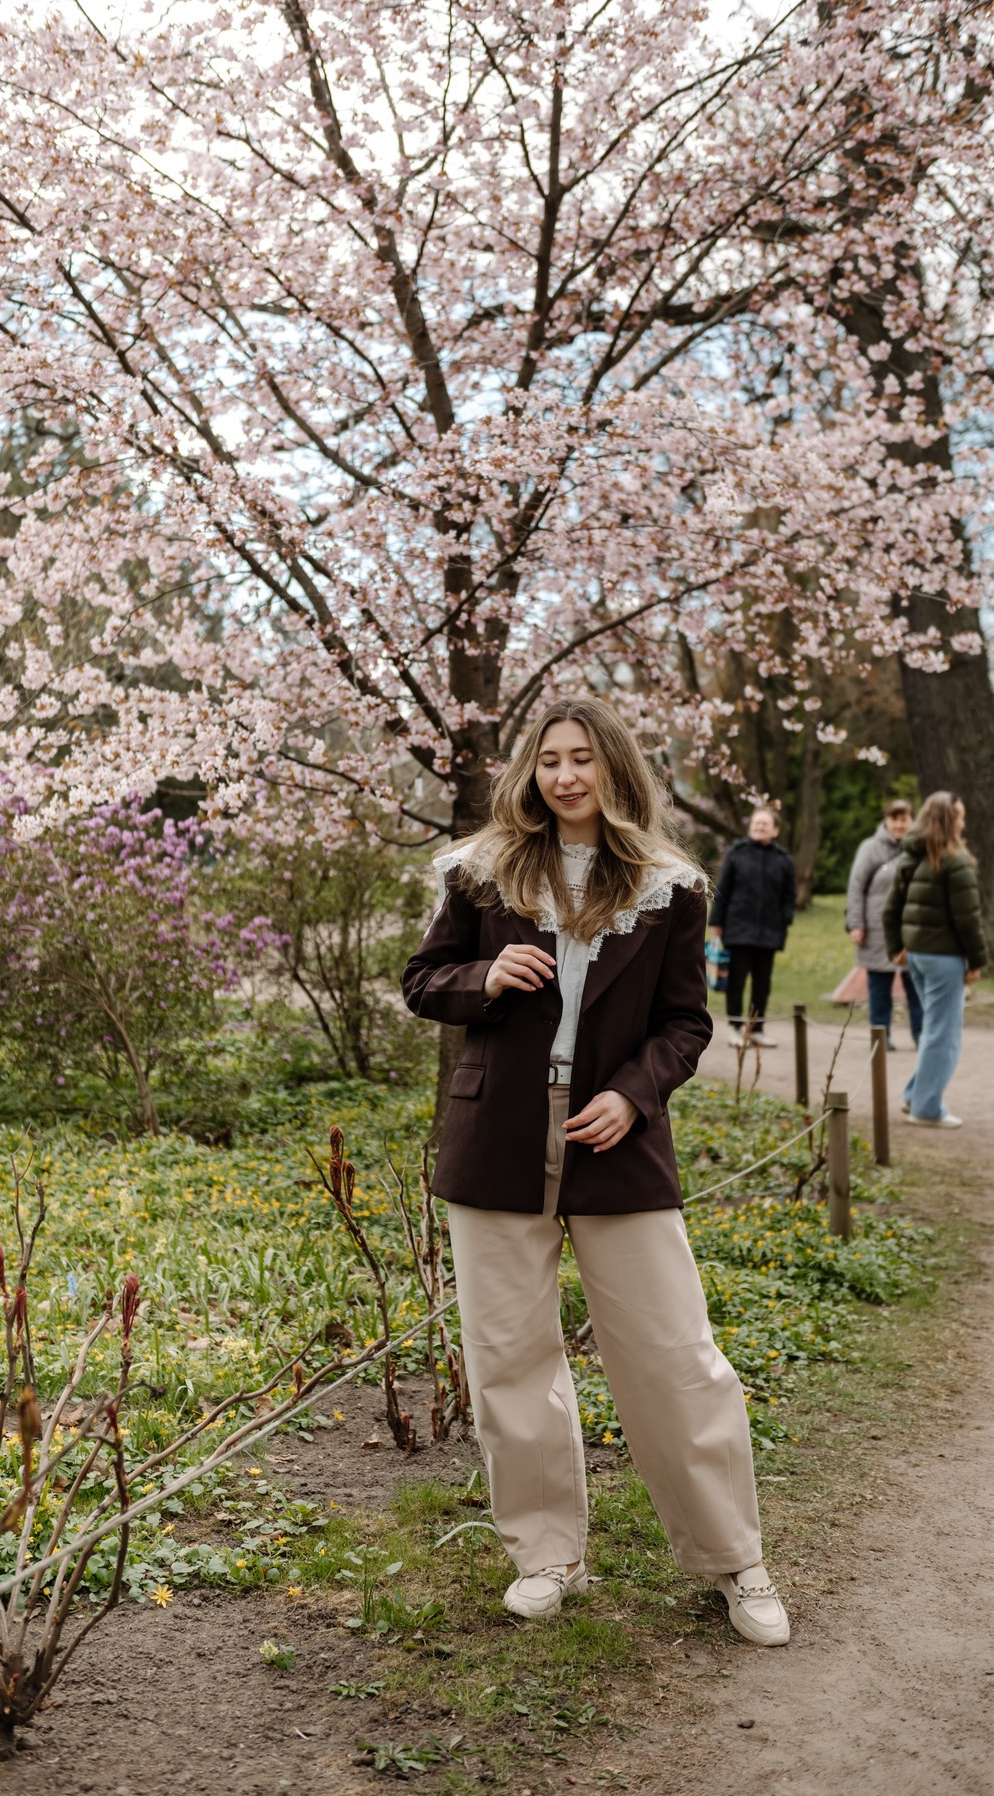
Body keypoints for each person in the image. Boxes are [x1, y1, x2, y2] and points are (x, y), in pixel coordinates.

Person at [401, 697, 790, 1648]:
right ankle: (547, 1554)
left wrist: (633, 1094)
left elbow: (686, 1022)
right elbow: (424, 981)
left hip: (614, 1144)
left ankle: (736, 1559)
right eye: (549, 761)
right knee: (509, 1363)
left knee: (676, 1359)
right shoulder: (481, 872)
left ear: (615, 770)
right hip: (494, 1145)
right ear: (530, 772)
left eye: (583, 760)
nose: (565, 777)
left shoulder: (671, 885)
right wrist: (482, 982)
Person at [882, 791, 986, 1130]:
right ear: (948, 821)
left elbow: (890, 908)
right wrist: (976, 961)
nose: (964, 822)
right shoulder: (955, 863)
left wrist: (896, 946)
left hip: (918, 958)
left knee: (932, 1030)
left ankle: (915, 1094)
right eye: (960, 816)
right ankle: (927, 1108)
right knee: (944, 1034)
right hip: (944, 959)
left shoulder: (911, 857)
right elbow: (968, 920)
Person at [707, 808, 796, 1047]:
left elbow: (790, 894)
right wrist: (716, 921)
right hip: (738, 929)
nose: (759, 827)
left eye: (764, 825)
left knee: (762, 983)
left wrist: (785, 919)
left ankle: (757, 1029)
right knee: (735, 981)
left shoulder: (783, 859)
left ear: (775, 830)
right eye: (756, 824)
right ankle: (735, 1028)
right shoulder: (737, 853)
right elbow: (722, 889)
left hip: (769, 931)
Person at [845, 799, 923, 1050]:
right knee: (879, 987)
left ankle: (922, 1036)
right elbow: (856, 887)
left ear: (912, 820)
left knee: (917, 986)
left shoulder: (919, 848)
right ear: (886, 821)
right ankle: (881, 1038)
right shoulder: (870, 848)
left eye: (904, 819)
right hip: (876, 928)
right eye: (894, 819)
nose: (899, 825)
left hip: (913, 926)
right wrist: (855, 923)